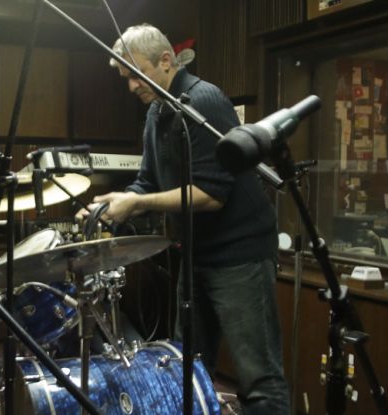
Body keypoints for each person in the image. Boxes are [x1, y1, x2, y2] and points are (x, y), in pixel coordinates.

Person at [76, 23, 289, 415]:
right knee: (188, 369)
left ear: (165, 61)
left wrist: (137, 204)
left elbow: (211, 194)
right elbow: (147, 181)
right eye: (125, 78)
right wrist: (109, 206)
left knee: (258, 379)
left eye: (136, 74)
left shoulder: (202, 100)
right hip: (197, 255)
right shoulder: (157, 111)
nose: (131, 86)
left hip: (239, 255)